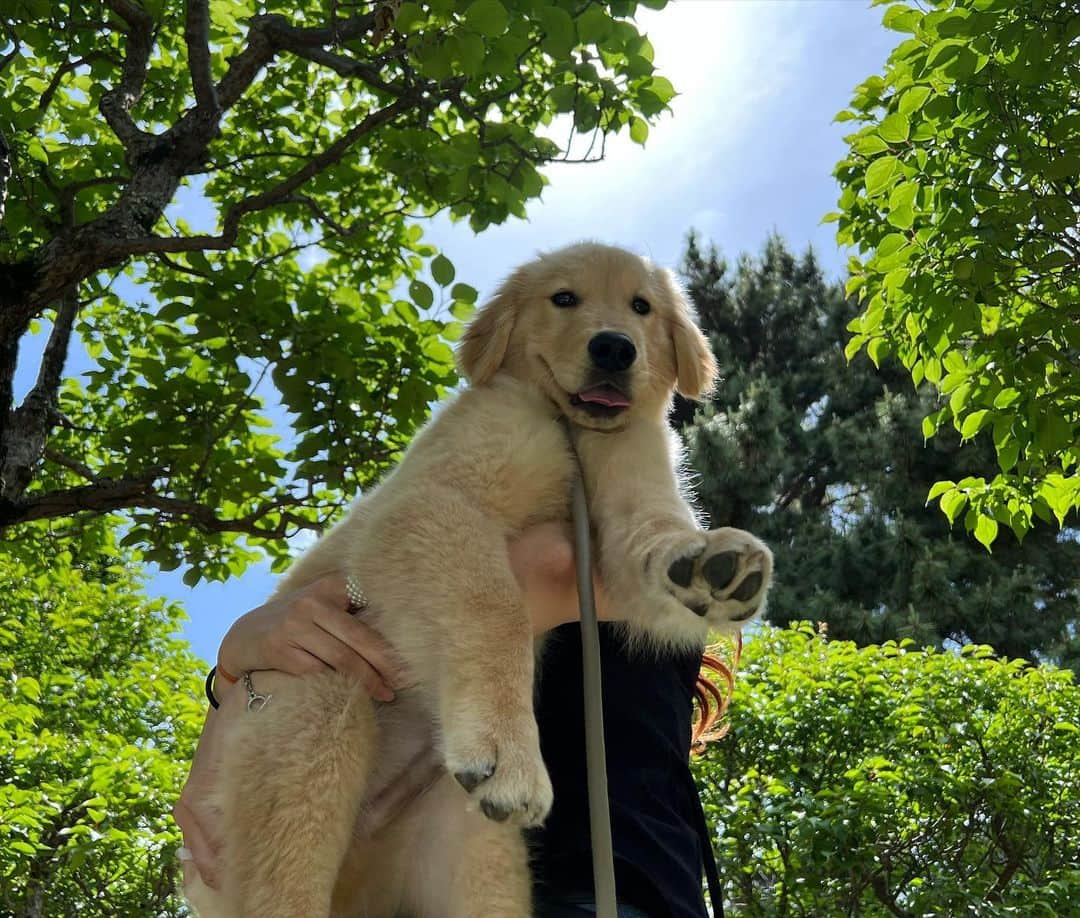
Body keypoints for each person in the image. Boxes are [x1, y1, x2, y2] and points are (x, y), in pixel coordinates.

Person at [174, 522, 727, 917]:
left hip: (579, 888)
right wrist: (229, 679)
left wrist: (339, 600)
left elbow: (545, 564)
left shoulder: (649, 531)